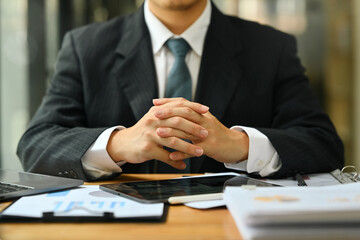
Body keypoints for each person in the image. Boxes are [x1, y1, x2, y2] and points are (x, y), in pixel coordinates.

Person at [17, 0, 344, 181]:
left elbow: (323, 143)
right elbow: (35, 145)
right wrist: (118, 144)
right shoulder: (85, 46)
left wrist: (238, 144)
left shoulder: (271, 48)